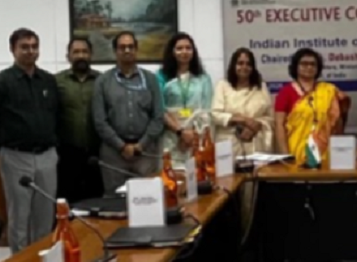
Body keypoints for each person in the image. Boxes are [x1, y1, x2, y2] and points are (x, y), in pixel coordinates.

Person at [0, 28, 59, 252]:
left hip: (47, 156)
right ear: (12, 50)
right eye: (24, 47)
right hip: (16, 156)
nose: (30, 51)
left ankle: (43, 260)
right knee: (20, 216)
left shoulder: (48, 81)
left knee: (45, 214)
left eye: (34, 46)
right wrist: (3, 149)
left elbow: (57, 116)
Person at [92, 31, 164, 194]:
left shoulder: (150, 79)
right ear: (115, 51)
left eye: (131, 47)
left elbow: (158, 117)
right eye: (122, 47)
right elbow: (100, 121)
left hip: (145, 152)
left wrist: (141, 145)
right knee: (114, 200)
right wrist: (121, 146)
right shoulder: (102, 81)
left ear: (136, 50)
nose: (127, 50)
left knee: (147, 198)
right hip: (113, 153)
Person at [273, 48, 345, 164]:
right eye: (304, 64)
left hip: (325, 153)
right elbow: (279, 125)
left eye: (313, 64)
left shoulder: (329, 91)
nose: (309, 67)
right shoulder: (285, 93)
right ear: (296, 67)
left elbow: (337, 122)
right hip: (295, 154)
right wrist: (286, 155)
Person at [54, 37, 103, 202]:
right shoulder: (56, 81)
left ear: (91, 55)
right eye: (76, 52)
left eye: (84, 51)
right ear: (68, 56)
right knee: (67, 200)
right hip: (66, 153)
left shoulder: (102, 80)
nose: (81, 55)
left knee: (96, 200)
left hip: (97, 152)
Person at [157, 33, 214, 163]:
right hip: (171, 135)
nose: (184, 52)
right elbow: (160, 109)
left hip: (197, 135)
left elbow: (207, 110)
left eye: (188, 48)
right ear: (172, 51)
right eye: (179, 48)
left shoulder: (203, 78)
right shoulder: (161, 77)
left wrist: (192, 134)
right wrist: (181, 132)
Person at [212, 48, 273, 156]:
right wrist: (243, 120)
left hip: (255, 144)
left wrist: (257, 125)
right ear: (233, 65)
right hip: (228, 144)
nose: (244, 67)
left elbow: (270, 118)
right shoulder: (223, 85)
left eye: (248, 64)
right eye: (240, 63)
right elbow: (215, 115)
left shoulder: (260, 87)